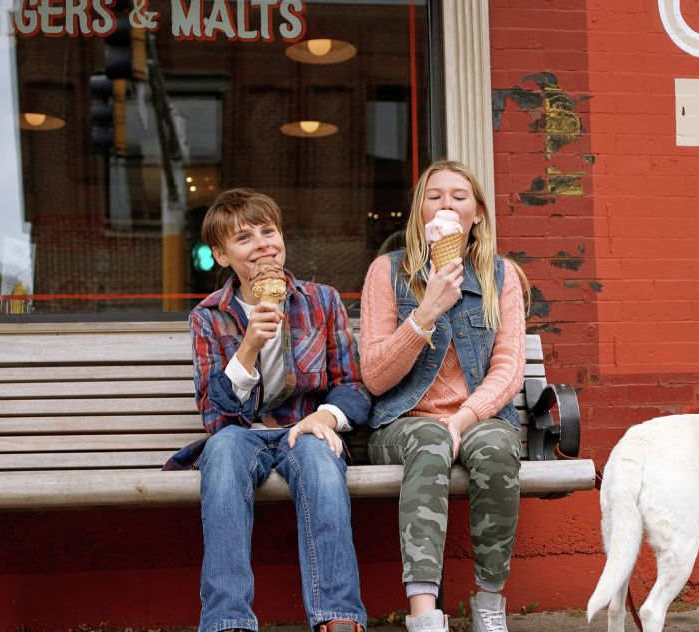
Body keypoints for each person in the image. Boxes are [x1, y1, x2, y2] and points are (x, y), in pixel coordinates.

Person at [167, 188, 370, 632]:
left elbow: (353, 386)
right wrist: (249, 346)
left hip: (306, 428)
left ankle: (338, 617)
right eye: (244, 238)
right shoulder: (209, 316)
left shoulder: (322, 301)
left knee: (320, 459)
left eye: (269, 231)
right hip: (242, 435)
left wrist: (326, 417)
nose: (262, 244)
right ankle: (228, 620)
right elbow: (216, 417)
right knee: (220, 454)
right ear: (221, 255)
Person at [358, 161, 527, 632]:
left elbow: (509, 368)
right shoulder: (387, 273)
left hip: (478, 419)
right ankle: (425, 616)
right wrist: (426, 313)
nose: (446, 203)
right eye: (434, 196)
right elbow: (374, 377)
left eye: (458, 196)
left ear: (476, 215)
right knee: (429, 440)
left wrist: (463, 420)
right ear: (420, 213)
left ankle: (490, 603)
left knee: (495, 447)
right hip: (403, 420)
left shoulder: (501, 276)